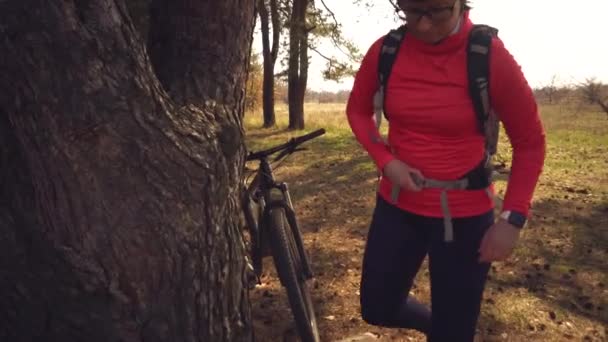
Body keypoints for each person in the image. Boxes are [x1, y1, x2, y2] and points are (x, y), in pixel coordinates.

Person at [345, 0, 546, 341]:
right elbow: (358, 111)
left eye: (436, 12)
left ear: (459, 4)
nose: (422, 25)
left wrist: (512, 219)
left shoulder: (489, 56)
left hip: (466, 217)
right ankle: (436, 324)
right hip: (397, 209)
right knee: (377, 307)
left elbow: (530, 143)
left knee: (454, 333)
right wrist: (386, 161)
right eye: (411, 12)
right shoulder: (386, 51)